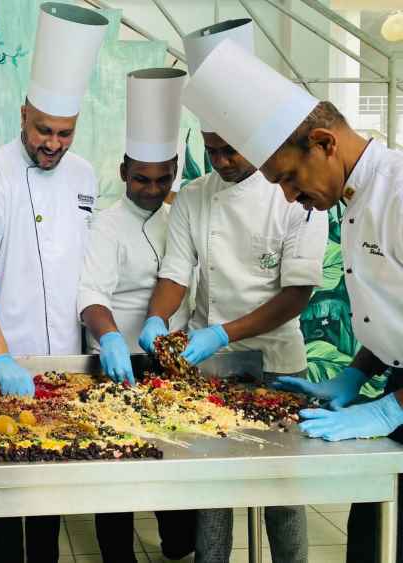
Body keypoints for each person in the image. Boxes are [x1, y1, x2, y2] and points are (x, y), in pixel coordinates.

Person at [183, 34, 403, 563]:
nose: (286, 196)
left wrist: (390, 408)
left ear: (324, 143)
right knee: (370, 541)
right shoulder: (351, 198)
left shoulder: (397, 193)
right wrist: (356, 374)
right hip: (393, 387)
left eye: (288, 177)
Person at [139, 20, 328, 563]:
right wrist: (159, 318)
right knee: (213, 486)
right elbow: (175, 274)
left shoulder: (294, 191)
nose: (221, 161)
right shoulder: (197, 196)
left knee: (282, 489)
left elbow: (297, 294)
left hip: (274, 361)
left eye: (232, 150)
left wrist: (225, 331)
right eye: (212, 149)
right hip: (212, 365)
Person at [0, 4, 107, 562]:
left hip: (63, 364)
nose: (52, 142)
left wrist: (101, 335)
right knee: (1, 493)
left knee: (48, 494)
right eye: (43, 129)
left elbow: (88, 266)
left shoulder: (85, 174)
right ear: (23, 114)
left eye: (64, 132)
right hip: (3, 360)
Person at [78, 67, 195, 563]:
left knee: (176, 464)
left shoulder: (182, 219)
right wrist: (109, 340)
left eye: (163, 178)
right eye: (142, 178)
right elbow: (91, 293)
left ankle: (178, 544)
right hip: (117, 363)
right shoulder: (105, 224)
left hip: (171, 362)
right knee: (118, 470)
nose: (152, 188)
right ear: (124, 171)